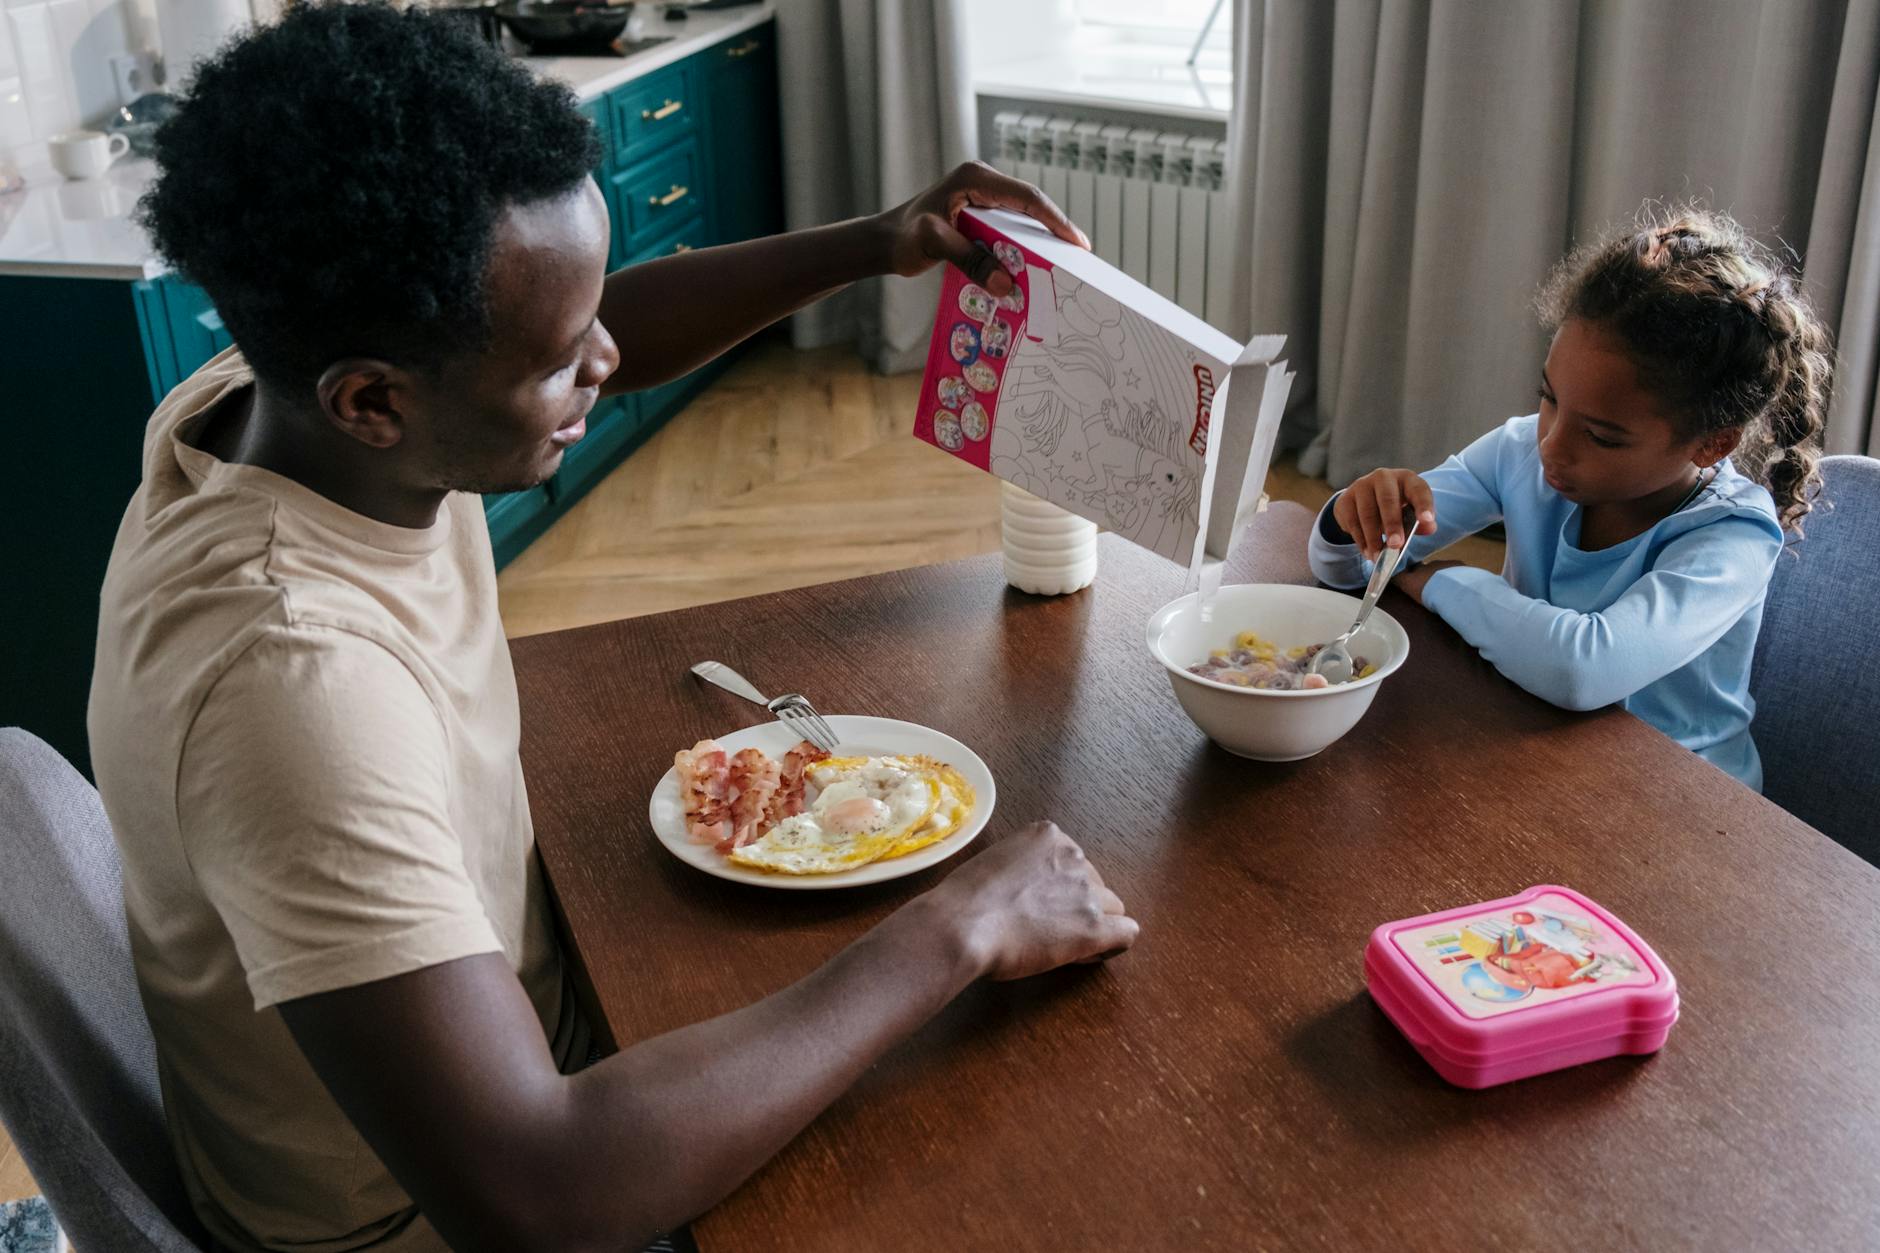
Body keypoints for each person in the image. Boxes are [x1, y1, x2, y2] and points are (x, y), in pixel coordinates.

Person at [86, 6, 1135, 1251]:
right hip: (434, 1210)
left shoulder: (278, 397)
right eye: (559, 357)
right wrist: (962, 923)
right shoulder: (291, 685)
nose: (605, 357)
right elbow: (542, 1191)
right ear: (370, 399)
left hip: (517, 1028)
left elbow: (558, 331)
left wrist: (877, 239)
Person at [1309, 206, 1832, 789]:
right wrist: (1355, 515)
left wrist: (1437, 579)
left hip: (1684, 799)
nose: (1551, 447)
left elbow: (1582, 669)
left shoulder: (1735, 537)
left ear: (1712, 444)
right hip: (1542, 743)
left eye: (1602, 436)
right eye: (1549, 398)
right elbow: (1346, 567)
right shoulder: (1521, 451)